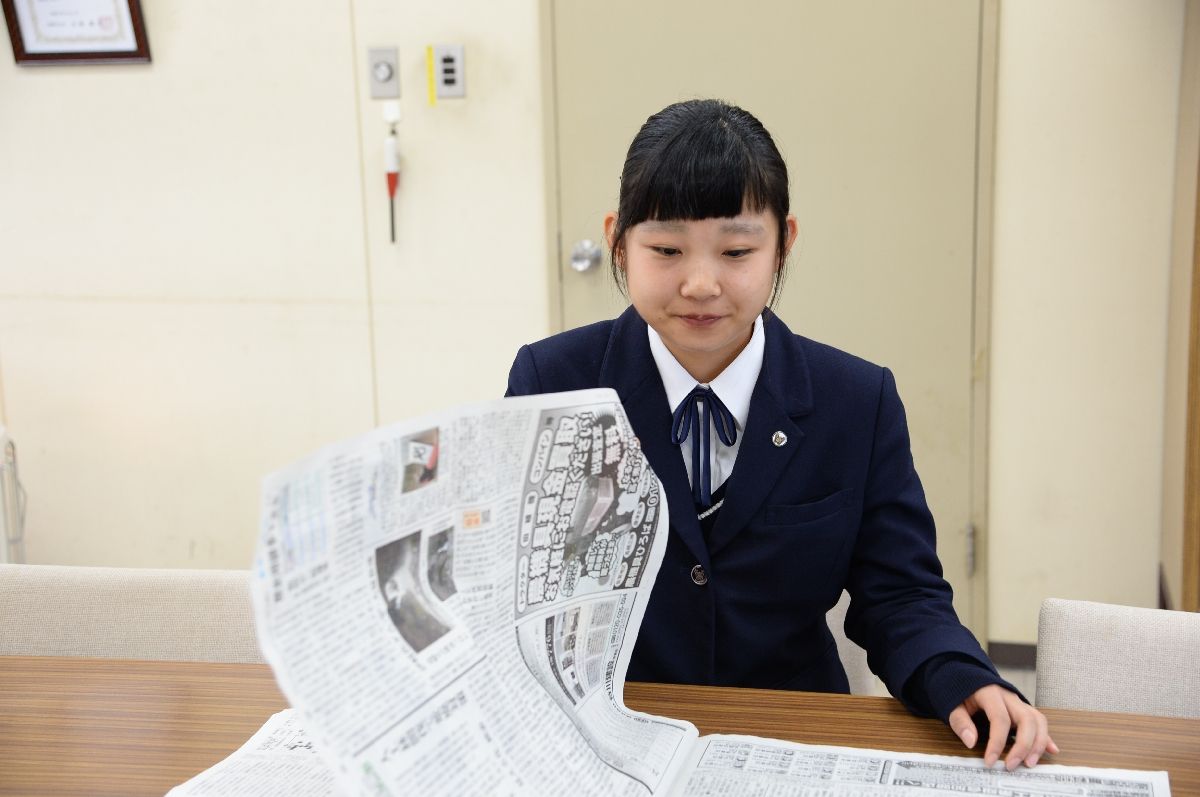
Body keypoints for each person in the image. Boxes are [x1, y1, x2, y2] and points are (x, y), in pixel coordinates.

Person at [506, 99, 1055, 770]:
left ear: (782, 243)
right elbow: (516, 590)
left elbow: (900, 592)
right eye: (666, 249)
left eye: (736, 250)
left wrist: (959, 673)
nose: (701, 283)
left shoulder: (856, 400)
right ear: (618, 241)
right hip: (611, 742)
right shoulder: (553, 379)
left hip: (793, 738)